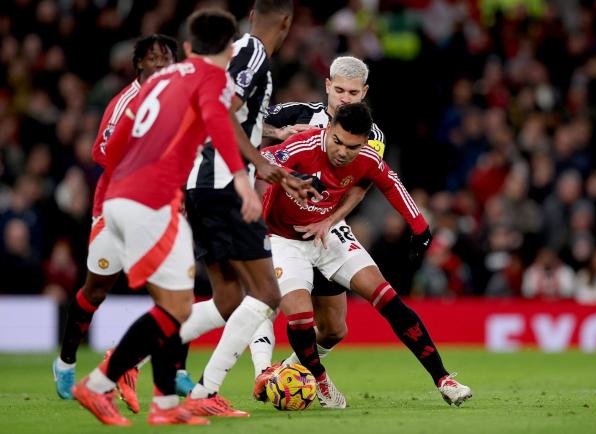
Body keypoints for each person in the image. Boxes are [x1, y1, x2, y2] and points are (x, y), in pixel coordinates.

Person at [71, 9, 262, 426]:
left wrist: (118, 186)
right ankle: (101, 381)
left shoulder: (156, 82)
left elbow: (118, 140)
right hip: (152, 202)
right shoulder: (213, 79)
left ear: (189, 48)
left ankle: (164, 407)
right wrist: (243, 183)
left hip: (119, 198)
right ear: (230, 50)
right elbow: (219, 123)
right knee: (176, 306)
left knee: (172, 305)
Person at [255, 102, 472, 408]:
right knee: (301, 316)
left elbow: (391, 183)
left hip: (328, 232)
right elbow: (261, 158)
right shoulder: (302, 145)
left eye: (352, 147)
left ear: (365, 142)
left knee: (385, 297)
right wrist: (292, 177)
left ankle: (444, 379)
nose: (342, 152)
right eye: (338, 141)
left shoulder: (368, 156)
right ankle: (319, 380)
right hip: (284, 237)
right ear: (329, 129)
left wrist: (420, 227)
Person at [175, 0, 303, 418]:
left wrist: (272, 133)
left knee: (229, 299)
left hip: (204, 181)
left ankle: (126, 359)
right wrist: (258, 162)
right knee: (266, 293)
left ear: (251, 14)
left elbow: (234, 112)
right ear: (286, 22)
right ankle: (204, 393)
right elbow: (222, 108)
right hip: (223, 182)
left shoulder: (241, 51)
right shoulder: (253, 52)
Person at [52, 34, 178, 411]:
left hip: (156, 209)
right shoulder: (125, 102)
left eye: (166, 57)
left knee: (172, 297)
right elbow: (101, 153)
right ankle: (66, 359)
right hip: (115, 207)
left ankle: (139, 369)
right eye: (153, 58)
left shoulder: (175, 98)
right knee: (96, 290)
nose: (160, 63)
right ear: (138, 64)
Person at [250, 55, 386, 381]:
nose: (345, 99)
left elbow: (361, 186)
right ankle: (263, 372)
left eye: (353, 93)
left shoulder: (373, 136)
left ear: (363, 93)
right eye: (339, 90)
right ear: (327, 86)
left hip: (324, 232)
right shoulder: (298, 113)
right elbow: (244, 124)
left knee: (334, 329)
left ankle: (290, 371)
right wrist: (280, 133)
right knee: (266, 301)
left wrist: (332, 219)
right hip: (279, 229)